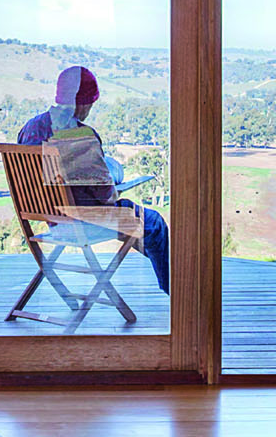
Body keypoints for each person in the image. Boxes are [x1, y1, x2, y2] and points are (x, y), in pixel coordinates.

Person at [17, 65, 169, 294]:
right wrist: (115, 188)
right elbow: (107, 198)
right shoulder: (81, 136)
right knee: (153, 223)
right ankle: (177, 292)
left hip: (48, 219)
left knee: (121, 189)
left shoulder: (29, 128)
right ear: (84, 102)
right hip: (81, 222)